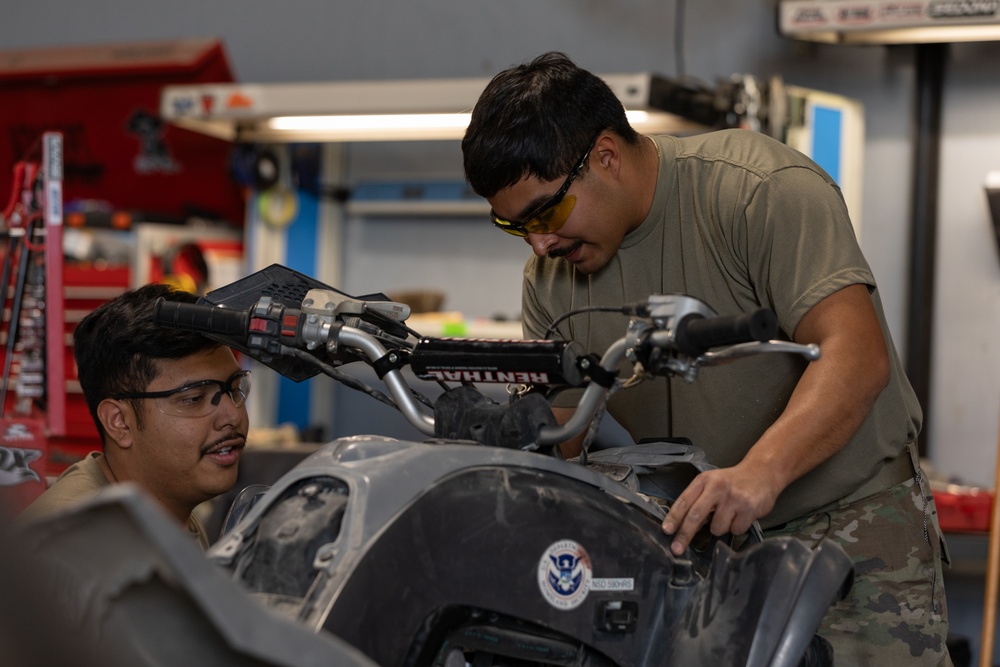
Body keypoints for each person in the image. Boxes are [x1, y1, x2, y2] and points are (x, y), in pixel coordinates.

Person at [462, 52, 951, 665]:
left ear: (605, 157)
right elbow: (560, 435)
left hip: (847, 527)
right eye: (515, 226)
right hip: (701, 543)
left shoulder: (757, 191)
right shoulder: (550, 278)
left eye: (546, 212)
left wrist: (759, 474)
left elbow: (856, 357)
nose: (539, 243)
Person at [17, 283, 249, 549]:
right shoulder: (70, 546)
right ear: (119, 422)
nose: (232, 415)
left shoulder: (168, 514)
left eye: (233, 388)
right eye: (193, 399)